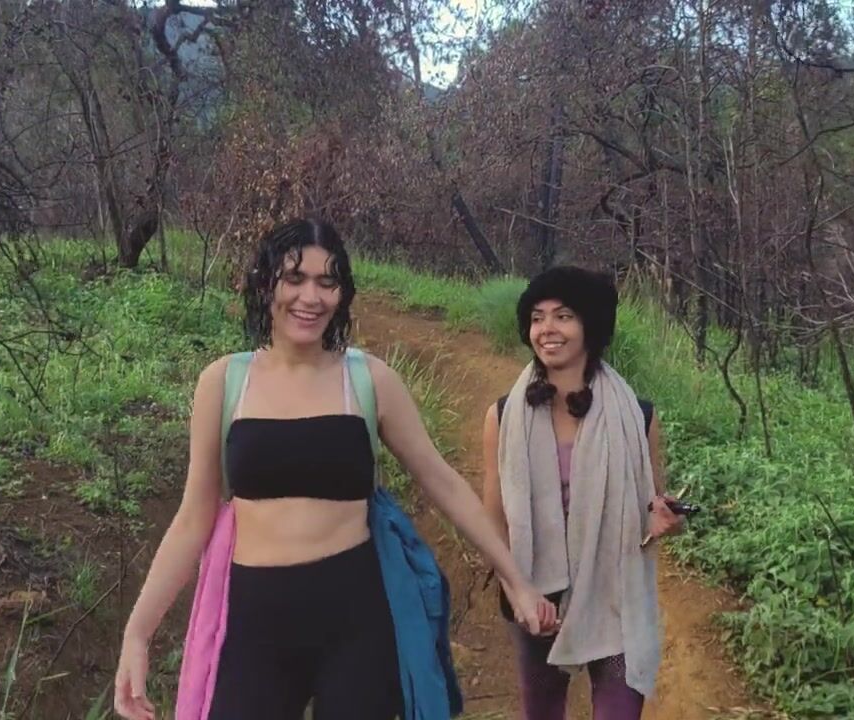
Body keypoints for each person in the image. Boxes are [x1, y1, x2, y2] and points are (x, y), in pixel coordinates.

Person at [113, 218, 557, 720]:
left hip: (356, 619)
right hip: (254, 620)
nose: (311, 297)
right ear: (265, 283)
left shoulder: (367, 380)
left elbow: (444, 483)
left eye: (327, 282)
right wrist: (138, 634)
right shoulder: (224, 382)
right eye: (294, 278)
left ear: (342, 293)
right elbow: (193, 518)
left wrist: (516, 581)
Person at [481, 265, 686, 720]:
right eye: (537, 317)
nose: (547, 329)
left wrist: (663, 522)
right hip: (537, 595)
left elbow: (650, 511)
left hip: (614, 593)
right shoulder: (503, 417)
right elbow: (494, 523)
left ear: (590, 325)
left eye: (563, 316)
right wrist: (519, 592)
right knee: (542, 711)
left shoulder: (638, 416)